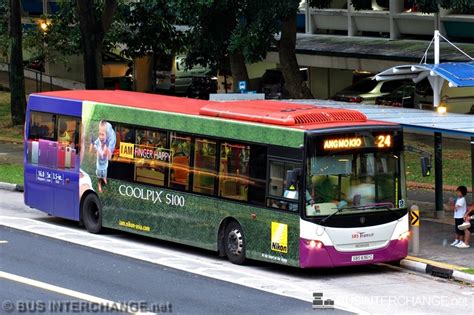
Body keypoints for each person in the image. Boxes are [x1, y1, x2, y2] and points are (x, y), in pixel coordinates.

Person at [90, 120, 115, 193]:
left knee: (104, 175)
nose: (100, 137)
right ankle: (99, 185)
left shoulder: (107, 143)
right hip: (99, 164)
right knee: (98, 177)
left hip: (104, 164)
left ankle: (104, 179)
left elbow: (103, 154)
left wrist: (96, 147)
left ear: (107, 135)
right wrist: (93, 143)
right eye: (99, 134)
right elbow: (91, 150)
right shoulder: (98, 140)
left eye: (102, 134)